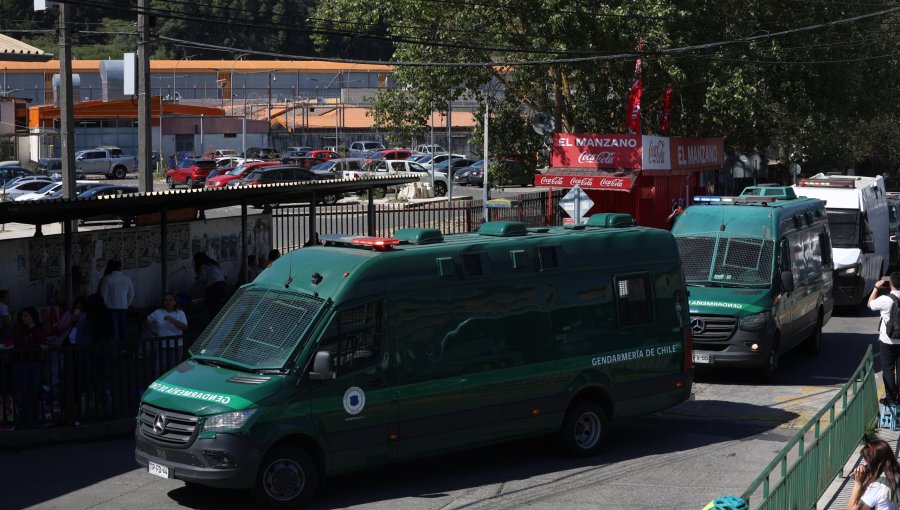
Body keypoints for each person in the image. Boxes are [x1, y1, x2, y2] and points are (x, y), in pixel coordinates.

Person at [12, 307, 48, 425]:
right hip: (21, 362)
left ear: (32, 317)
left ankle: (32, 416)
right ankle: (23, 416)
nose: (23, 318)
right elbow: (20, 343)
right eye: (22, 316)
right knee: (22, 387)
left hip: (33, 361)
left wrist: (33, 329)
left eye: (26, 316)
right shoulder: (18, 328)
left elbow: (41, 340)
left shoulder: (39, 328)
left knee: (33, 387)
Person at [868, 272, 900, 405]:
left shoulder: (885, 299)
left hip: (887, 340)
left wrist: (876, 288)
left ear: (890, 283)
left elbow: (870, 304)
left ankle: (891, 399)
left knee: (887, 369)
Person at [848, 437, 900, 510]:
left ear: (874, 462)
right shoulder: (896, 472)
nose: (864, 464)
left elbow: (852, 508)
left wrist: (858, 483)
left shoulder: (877, 487)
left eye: (866, 461)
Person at [145, 293, 188, 372]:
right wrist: (153, 329)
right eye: (166, 300)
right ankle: (158, 382)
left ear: (175, 302)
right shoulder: (158, 312)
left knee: (175, 368)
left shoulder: (180, 313)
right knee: (159, 367)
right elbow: (147, 320)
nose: (167, 302)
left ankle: (173, 383)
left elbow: (184, 327)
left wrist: (172, 319)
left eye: (170, 300)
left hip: (177, 345)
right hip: (162, 345)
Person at [99, 259, 134, 344]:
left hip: (110, 308)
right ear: (120, 267)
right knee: (123, 328)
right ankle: (123, 348)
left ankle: (114, 350)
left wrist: (105, 305)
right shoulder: (127, 279)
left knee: (113, 330)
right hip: (123, 307)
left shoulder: (107, 278)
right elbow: (131, 294)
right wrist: (127, 304)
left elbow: (103, 296)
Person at [194, 252, 227, 321]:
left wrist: (197, 290)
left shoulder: (203, 266)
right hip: (222, 284)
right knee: (217, 303)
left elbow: (202, 279)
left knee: (211, 304)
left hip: (213, 286)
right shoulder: (213, 264)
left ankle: (214, 321)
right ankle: (219, 320)